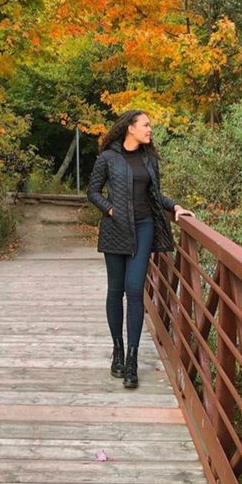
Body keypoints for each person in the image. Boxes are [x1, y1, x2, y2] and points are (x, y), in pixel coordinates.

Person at [87, 110, 194, 389]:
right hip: (115, 230)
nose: (150, 130)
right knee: (116, 289)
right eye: (146, 125)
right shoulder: (107, 158)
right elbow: (93, 191)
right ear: (130, 128)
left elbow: (155, 194)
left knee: (135, 289)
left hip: (144, 226)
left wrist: (175, 207)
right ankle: (118, 351)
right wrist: (109, 209)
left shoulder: (149, 159)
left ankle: (132, 360)